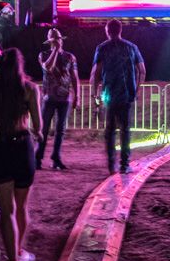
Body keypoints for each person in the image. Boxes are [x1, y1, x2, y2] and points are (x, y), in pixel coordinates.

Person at [0, 48, 41, 261]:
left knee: (6, 211)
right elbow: (38, 125)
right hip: (22, 147)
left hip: (0, 148)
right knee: (22, 207)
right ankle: (18, 251)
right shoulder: (29, 89)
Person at [89, 19, 145, 175]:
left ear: (107, 31)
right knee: (125, 130)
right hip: (127, 95)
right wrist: (137, 90)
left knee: (110, 130)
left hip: (109, 94)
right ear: (120, 30)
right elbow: (142, 70)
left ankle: (111, 164)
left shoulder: (102, 48)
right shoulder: (132, 47)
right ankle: (124, 164)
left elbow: (96, 73)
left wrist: (95, 94)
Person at [35, 29, 77, 170]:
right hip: (49, 97)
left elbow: (74, 76)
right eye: (55, 40)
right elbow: (48, 67)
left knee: (61, 130)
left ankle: (56, 158)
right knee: (44, 129)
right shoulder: (44, 55)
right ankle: (38, 158)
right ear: (50, 42)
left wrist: (76, 95)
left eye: (59, 39)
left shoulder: (70, 57)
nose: (58, 41)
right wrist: (55, 51)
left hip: (65, 98)